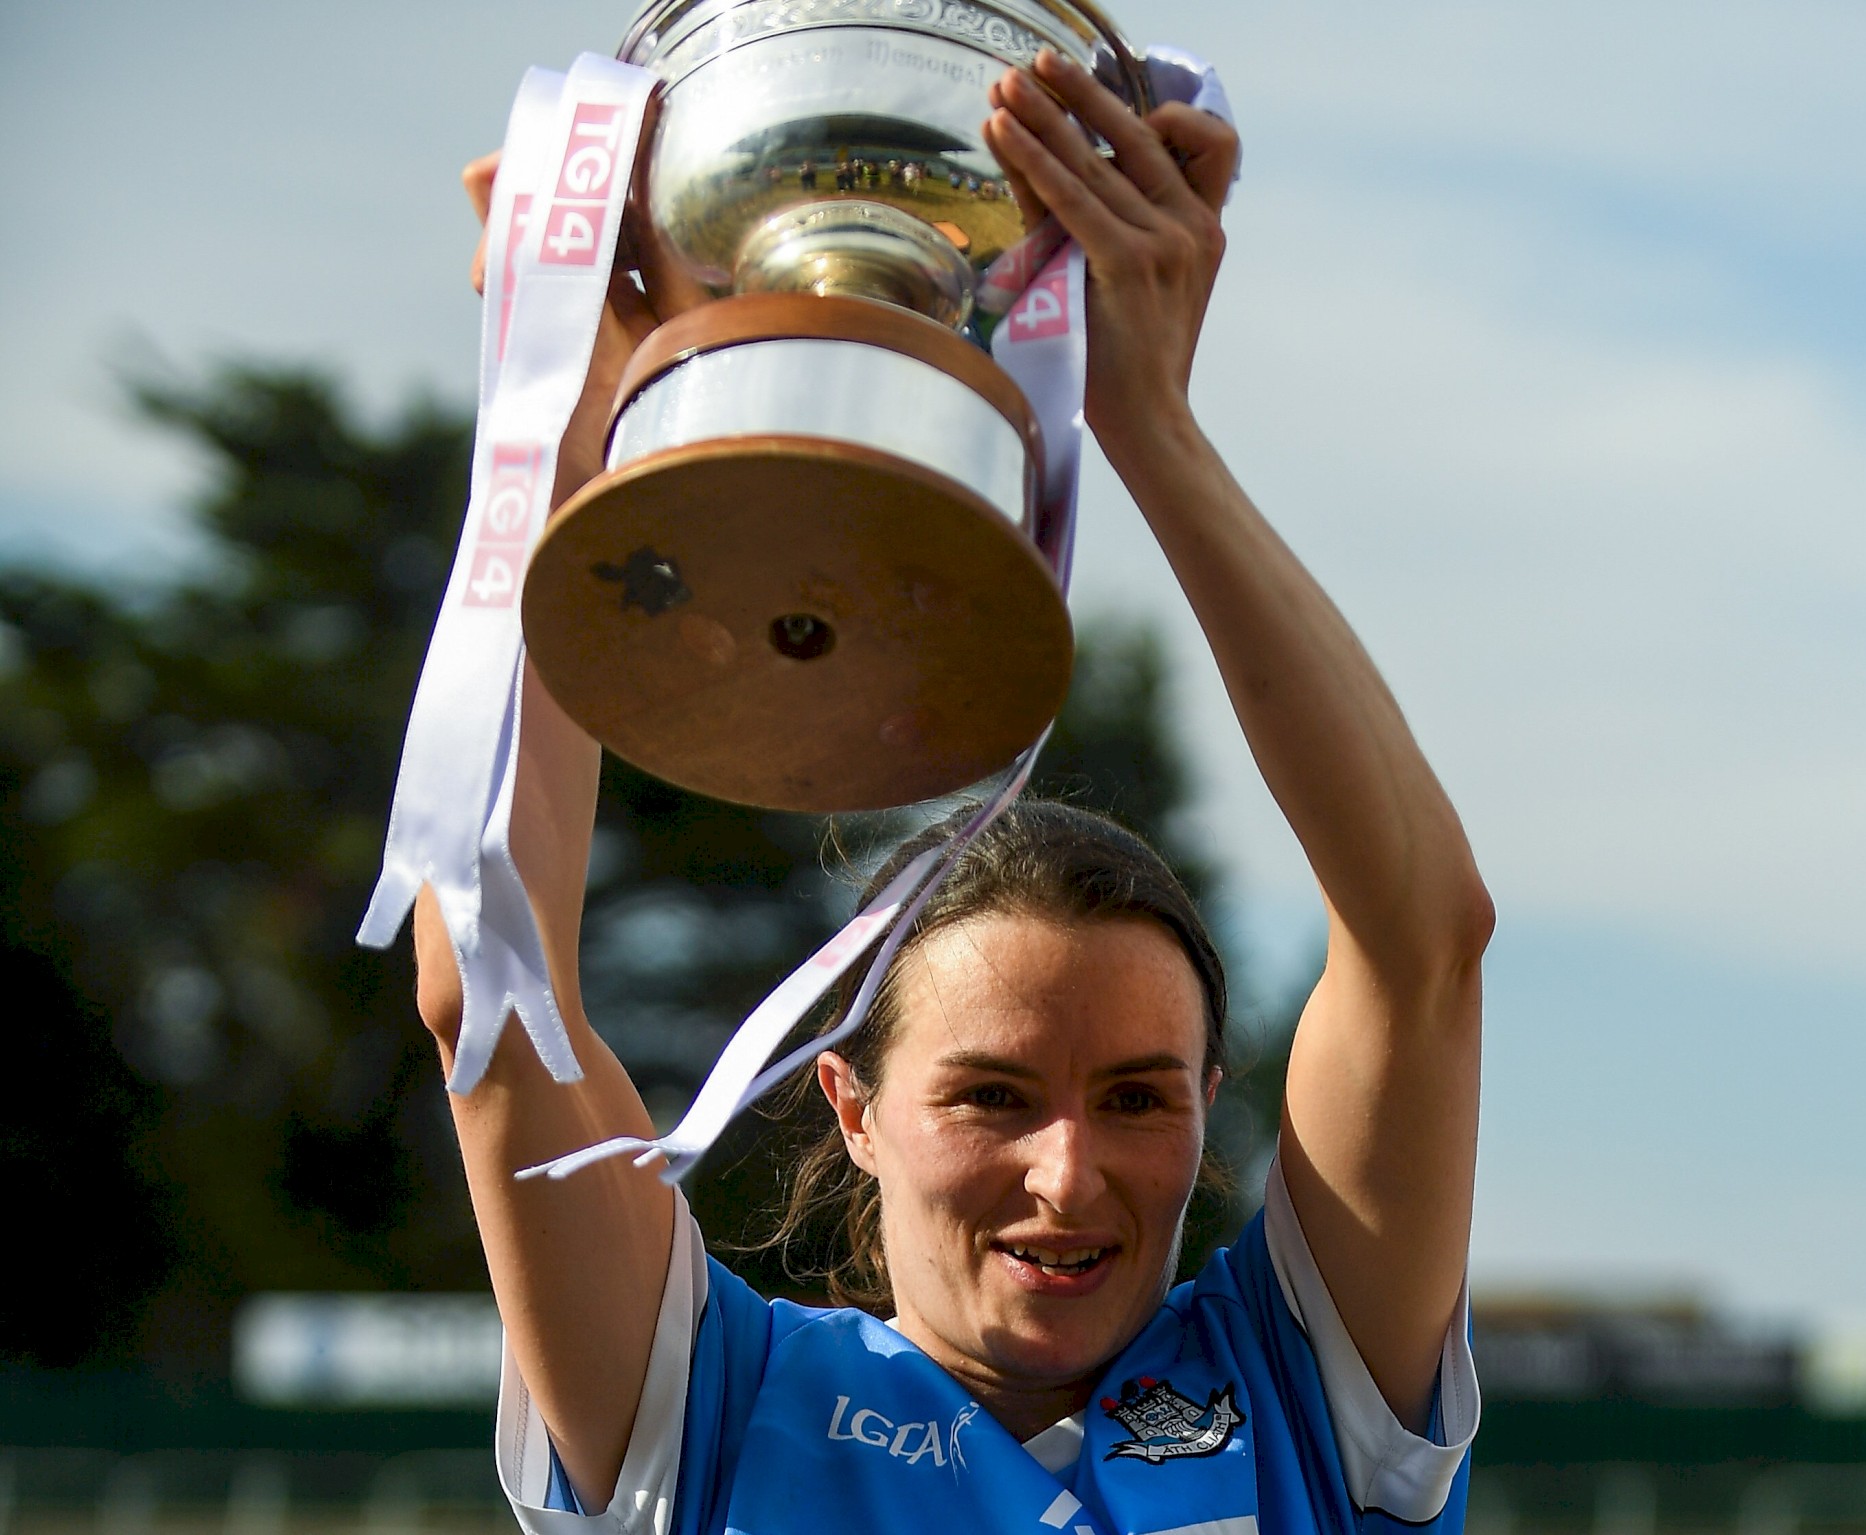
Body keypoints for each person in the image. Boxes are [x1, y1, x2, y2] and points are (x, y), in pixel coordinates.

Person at [435, 47, 1491, 1535]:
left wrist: (1149, 425)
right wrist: (569, 412)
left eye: (1138, 1097)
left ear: (1210, 1110)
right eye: (991, 1096)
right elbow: (493, 995)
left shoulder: (1305, 1389)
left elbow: (1423, 940)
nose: (1068, 1177)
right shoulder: (711, 1402)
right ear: (851, 1108)